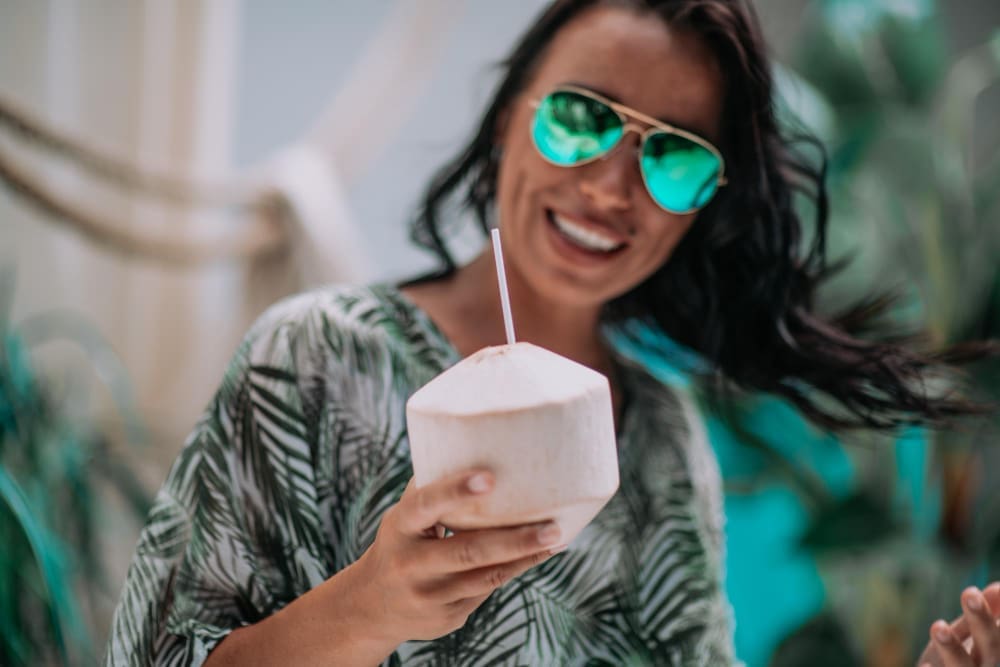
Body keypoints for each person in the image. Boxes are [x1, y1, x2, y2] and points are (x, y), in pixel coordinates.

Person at [105, 1, 999, 665]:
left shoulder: (661, 438)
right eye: (581, 117)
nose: (612, 188)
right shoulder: (314, 359)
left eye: (674, 154)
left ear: (703, 206)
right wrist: (371, 604)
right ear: (510, 118)